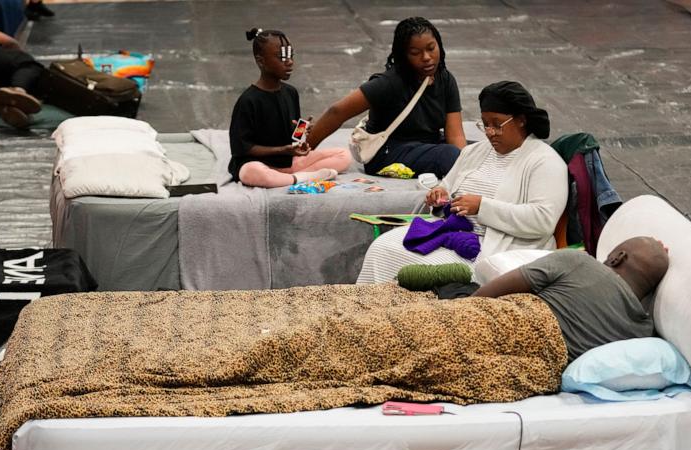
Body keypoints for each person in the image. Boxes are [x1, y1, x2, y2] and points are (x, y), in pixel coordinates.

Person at [357, 81, 567, 284]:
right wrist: (439, 196)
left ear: (521, 120)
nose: (490, 132)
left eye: (497, 125)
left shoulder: (545, 162)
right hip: (451, 234)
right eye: (485, 124)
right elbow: (447, 188)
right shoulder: (474, 152)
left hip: (495, 248)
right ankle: (370, 315)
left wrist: (481, 206)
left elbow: (542, 221)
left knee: (420, 268)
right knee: (382, 248)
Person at [305, 17, 466, 178]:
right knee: (449, 155)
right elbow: (337, 112)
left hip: (428, 146)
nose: (426, 57)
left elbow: (455, 135)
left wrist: (465, 161)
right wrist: (304, 151)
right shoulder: (389, 83)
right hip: (389, 153)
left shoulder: (445, 79)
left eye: (431, 48)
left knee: (480, 150)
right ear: (403, 55)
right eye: (415, 53)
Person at [474, 236, 670, 361]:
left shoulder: (579, 262)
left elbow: (482, 297)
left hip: (486, 330)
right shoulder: (642, 332)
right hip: (518, 369)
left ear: (618, 257)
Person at [228, 28, 351, 188]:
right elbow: (242, 148)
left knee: (344, 155)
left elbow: (293, 137)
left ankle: (289, 177)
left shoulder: (290, 92)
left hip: (288, 162)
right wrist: (282, 150)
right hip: (258, 164)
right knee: (250, 173)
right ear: (261, 61)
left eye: (290, 56)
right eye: (282, 57)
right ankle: (305, 177)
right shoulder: (248, 100)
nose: (290, 62)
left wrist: (302, 133)